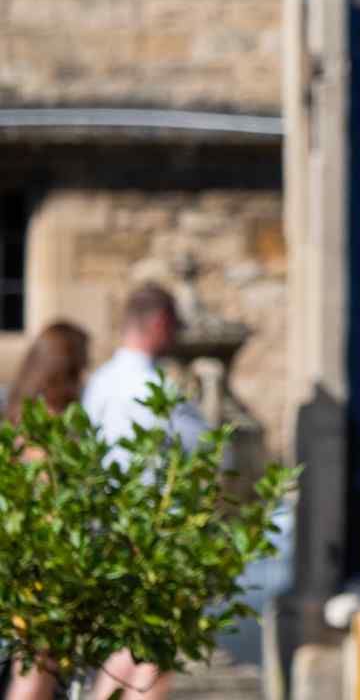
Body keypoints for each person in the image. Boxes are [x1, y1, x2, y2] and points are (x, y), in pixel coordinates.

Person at [80, 284, 210, 700]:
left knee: (127, 652)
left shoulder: (99, 382)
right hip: (152, 537)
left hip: (107, 531)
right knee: (153, 655)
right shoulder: (156, 389)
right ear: (159, 324)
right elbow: (209, 453)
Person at [5, 321, 91, 700]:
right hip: (41, 577)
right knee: (36, 672)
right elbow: (48, 512)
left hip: (22, 572)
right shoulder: (47, 431)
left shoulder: (17, 415)